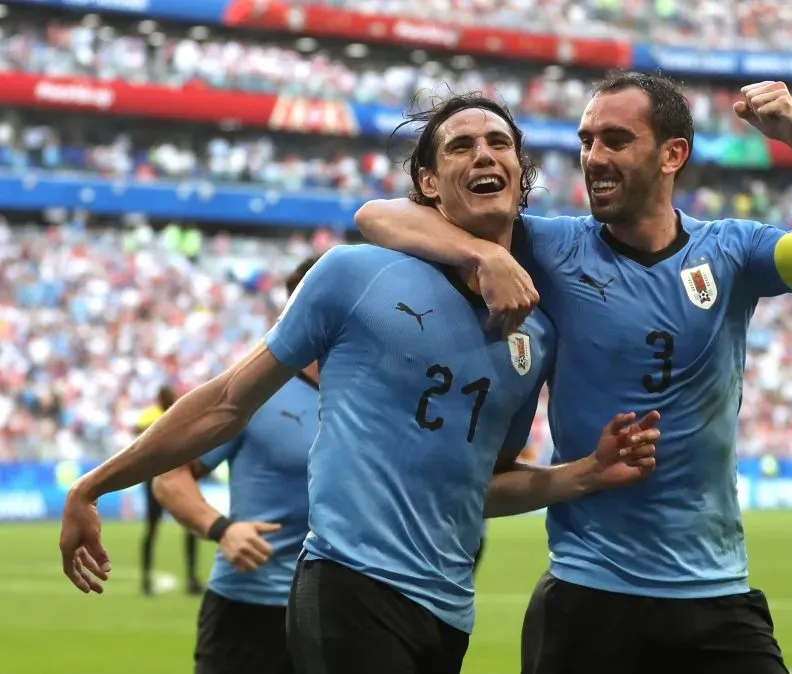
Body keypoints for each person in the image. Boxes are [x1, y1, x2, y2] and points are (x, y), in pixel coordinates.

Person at [58, 94, 661, 674]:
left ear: (518, 174)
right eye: (460, 147)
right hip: (348, 587)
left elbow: (481, 487)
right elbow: (225, 403)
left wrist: (585, 473)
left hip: (448, 612)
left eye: (498, 143)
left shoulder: (537, 335)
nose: (483, 154)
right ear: (428, 184)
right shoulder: (354, 275)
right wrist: (93, 487)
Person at [354, 75, 792, 674]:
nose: (594, 158)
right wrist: (484, 254)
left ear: (672, 155)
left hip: (714, 593)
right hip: (589, 595)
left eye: (616, 140)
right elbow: (377, 215)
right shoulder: (551, 246)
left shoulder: (736, 252)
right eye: (588, 141)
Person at [151, 256, 321, 674]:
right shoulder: (254, 391)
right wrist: (222, 529)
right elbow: (170, 477)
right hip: (248, 609)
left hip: (336, 612)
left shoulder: (372, 397)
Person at [136, 384, 202, 597]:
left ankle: (150, 580)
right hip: (164, 479)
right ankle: (187, 578)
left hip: (166, 479)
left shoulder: (165, 416)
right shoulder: (174, 416)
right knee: (165, 529)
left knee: (158, 530)